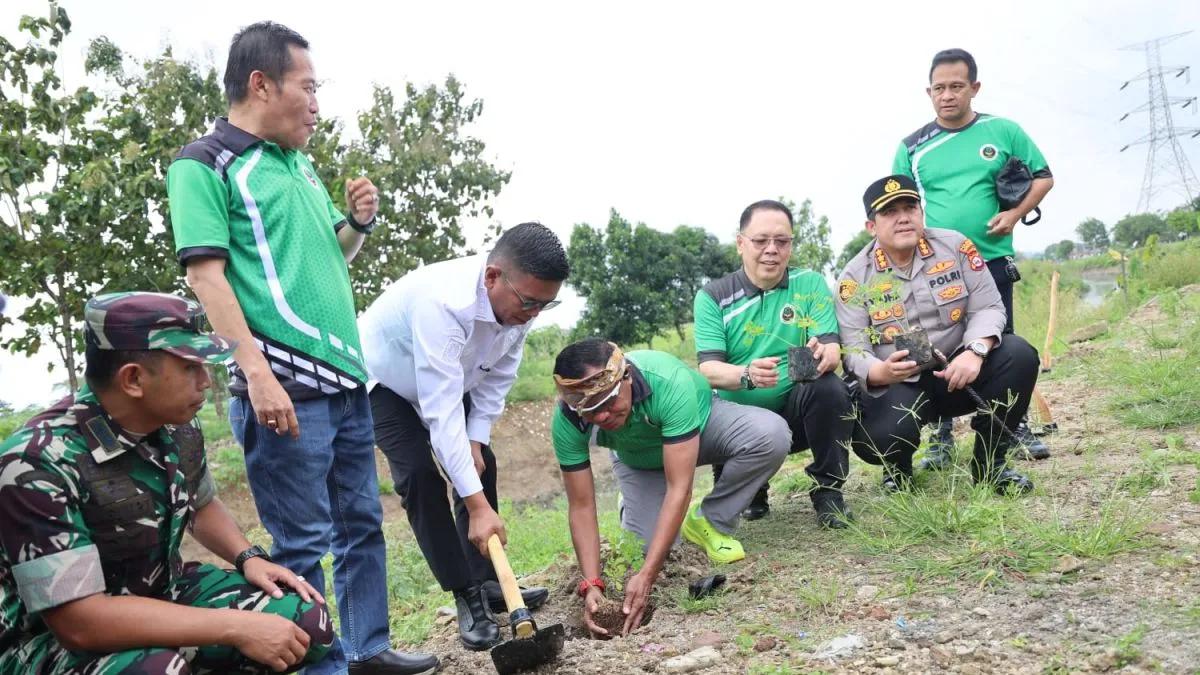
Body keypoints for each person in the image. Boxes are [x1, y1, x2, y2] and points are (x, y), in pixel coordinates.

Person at [166, 22, 436, 675]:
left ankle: (367, 648)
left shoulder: (299, 165)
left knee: (362, 525)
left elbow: (330, 260)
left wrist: (359, 224)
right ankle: (318, 664)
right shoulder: (205, 164)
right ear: (261, 84)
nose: (317, 104)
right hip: (284, 385)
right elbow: (207, 276)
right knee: (302, 542)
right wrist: (255, 373)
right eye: (308, 88)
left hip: (344, 380)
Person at [0, 292, 333, 674]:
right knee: (160, 670)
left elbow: (200, 504)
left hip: (161, 592)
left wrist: (248, 557)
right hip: (49, 640)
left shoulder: (176, 425)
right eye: (191, 367)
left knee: (305, 624)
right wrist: (236, 626)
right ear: (133, 379)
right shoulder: (35, 462)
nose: (206, 381)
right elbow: (79, 623)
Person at [358, 223, 566, 651]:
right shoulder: (444, 304)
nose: (534, 314)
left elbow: (496, 381)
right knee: (419, 475)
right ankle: (465, 593)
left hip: (454, 375)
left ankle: (489, 581)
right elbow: (442, 413)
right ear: (492, 277)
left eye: (545, 304)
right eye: (530, 302)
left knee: (480, 461)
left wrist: (475, 441)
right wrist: (477, 507)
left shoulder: (520, 305)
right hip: (385, 381)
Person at [551, 340, 790, 637]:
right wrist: (591, 584)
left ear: (626, 377)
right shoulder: (568, 419)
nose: (600, 416)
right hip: (638, 459)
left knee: (770, 435)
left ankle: (711, 519)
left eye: (607, 401)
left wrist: (647, 576)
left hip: (700, 428)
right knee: (651, 548)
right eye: (589, 409)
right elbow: (582, 505)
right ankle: (636, 505)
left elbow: (680, 488)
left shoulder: (667, 382)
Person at [892, 47, 1054, 466]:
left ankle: (1011, 426)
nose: (947, 95)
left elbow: (1043, 177)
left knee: (1003, 344)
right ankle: (940, 433)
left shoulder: (1003, 131)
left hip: (991, 258)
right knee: (933, 345)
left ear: (974, 88)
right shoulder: (912, 147)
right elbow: (899, 206)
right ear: (928, 92)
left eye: (956, 86)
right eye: (939, 88)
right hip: (932, 268)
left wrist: (1014, 214)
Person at [837, 175, 1037, 493]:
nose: (903, 217)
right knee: (878, 437)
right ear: (871, 227)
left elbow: (988, 307)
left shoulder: (955, 246)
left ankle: (990, 465)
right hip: (900, 382)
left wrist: (976, 351)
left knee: (1019, 355)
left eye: (910, 207)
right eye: (890, 212)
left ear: (921, 212)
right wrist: (879, 371)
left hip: (957, 371)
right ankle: (897, 469)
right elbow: (853, 346)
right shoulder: (854, 277)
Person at [694, 199, 854, 528]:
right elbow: (709, 370)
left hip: (797, 411)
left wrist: (828, 353)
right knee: (743, 492)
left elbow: (830, 344)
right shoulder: (713, 296)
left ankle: (828, 492)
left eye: (782, 241)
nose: (772, 249)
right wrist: (747, 374)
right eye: (760, 240)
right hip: (741, 421)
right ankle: (749, 482)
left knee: (830, 388)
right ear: (740, 243)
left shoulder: (809, 284)